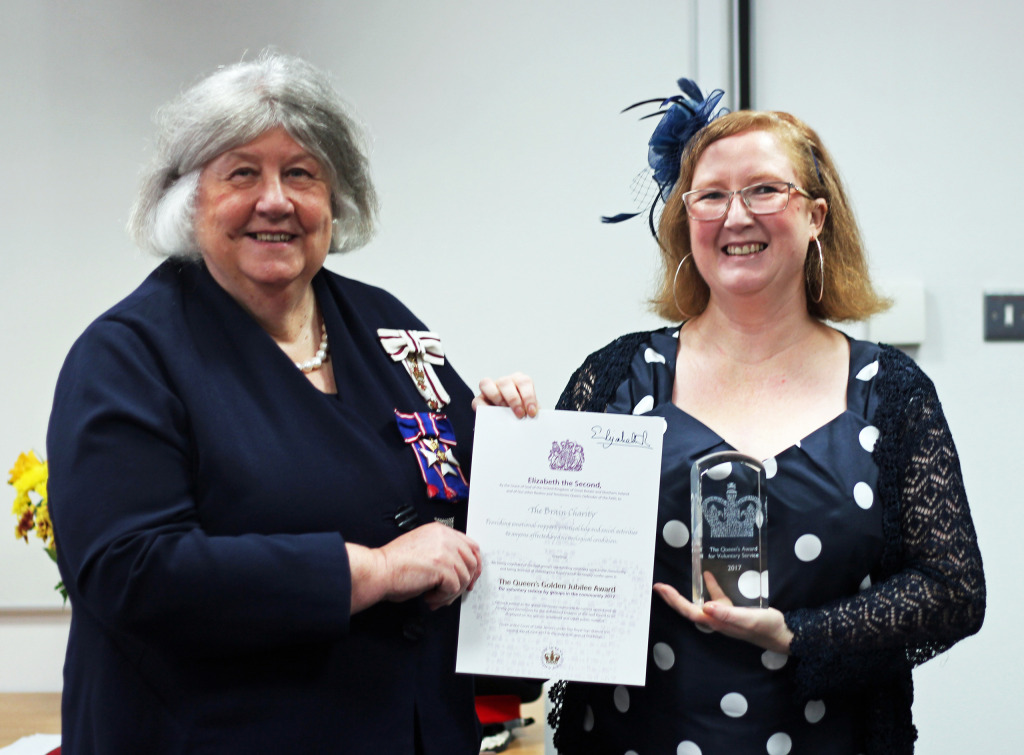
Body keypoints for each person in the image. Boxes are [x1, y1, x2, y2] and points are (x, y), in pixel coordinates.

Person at [477, 80, 985, 754]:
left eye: (765, 190)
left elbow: (953, 590)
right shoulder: (619, 378)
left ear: (817, 216)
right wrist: (509, 460)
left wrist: (796, 633)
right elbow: (544, 581)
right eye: (711, 195)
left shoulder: (889, 392)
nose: (735, 216)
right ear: (686, 220)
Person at [48, 51, 486, 754]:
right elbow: (132, 570)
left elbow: (465, 502)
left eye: (302, 172)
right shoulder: (126, 355)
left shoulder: (388, 326)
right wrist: (370, 571)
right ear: (187, 200)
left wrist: (505, 437)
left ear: (334, 199)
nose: (275, 199)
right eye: (242, 172)